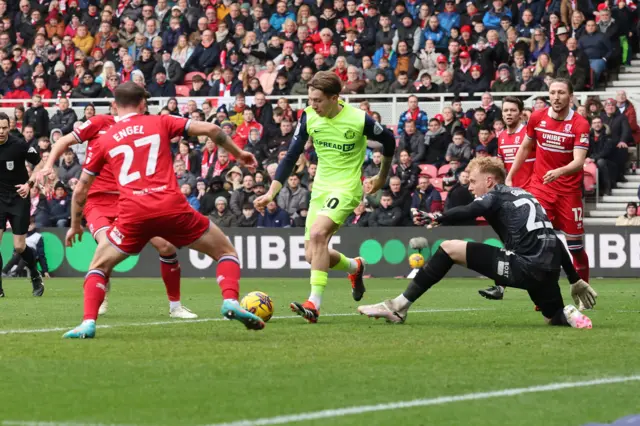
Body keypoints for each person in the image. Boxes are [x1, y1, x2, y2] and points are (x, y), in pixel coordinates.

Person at [56, 83, 265, 338]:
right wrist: (239, 153)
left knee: (98, 267)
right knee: (226, 252)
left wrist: (76, 224)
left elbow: (80, 190)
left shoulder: (105, 139)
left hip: (132, 213)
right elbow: (212, 129)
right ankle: (230, 300)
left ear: (115, 104)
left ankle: (88, 322)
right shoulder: (160, 121)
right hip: (171, 207)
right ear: (143, 103)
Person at [357, 157, 596, 329]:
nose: (469, 187)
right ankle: (568, 314)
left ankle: (398, 306)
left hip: (527, 267)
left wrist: (439, 216)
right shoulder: (525, 195)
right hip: (548, 268)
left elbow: (475, 208)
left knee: (448, 248)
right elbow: (553, 238)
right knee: (552, 317)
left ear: (490, 181)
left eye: (473, 181)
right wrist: (574, 279)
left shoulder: (495, 195)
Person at [254, 71, 396, 323]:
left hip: (346, 188)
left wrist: (382, 177)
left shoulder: (358, 119)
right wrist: (271, 192)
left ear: (334, 98)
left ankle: (314, 304)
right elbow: (290, 156)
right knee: (312, 255)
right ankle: (355, 267)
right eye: (310, 99)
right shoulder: (308, 117)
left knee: (319, 235)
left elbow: (389, 140)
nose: (312, 105)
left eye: (318, 100)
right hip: (320, 189)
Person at [41, 114, 199, 320]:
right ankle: (100, 298)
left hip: (129, 200)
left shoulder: (143, 128)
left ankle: (175, 306)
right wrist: (48, 166)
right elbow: (63, 140)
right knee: (107, 244)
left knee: (166, 246)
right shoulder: (100, 123)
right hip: (97, 201)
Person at [507, 79, 591, 288]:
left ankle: (583, 289)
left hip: (569, 192)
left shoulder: (580, 123)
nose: (556, 97)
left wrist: (559, 172)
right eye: (552, 92)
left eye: (561, 93)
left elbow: (579, 161)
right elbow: (525, 148)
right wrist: (510, 175)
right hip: (541, 187)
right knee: (538, 243)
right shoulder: (537, 117)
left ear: (570, 96)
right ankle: (543, 295)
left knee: (575, 248)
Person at [0, 112, 45, 297]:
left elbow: (40, 163)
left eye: (4, 127)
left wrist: (29, 184)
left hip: (19, 197)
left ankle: (35, 274)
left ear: (9, 127)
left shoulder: (19, 145)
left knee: (19, 246)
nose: (1, 131)